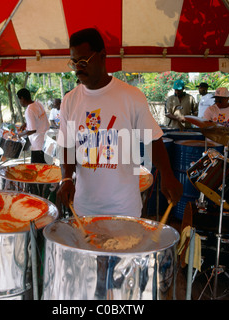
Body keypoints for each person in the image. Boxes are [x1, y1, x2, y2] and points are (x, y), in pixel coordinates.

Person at [56, 28, 183, 217]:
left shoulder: (131, 96)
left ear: (102, 56)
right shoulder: (69, 100)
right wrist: (66, 178)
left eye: (83, 61)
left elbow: (152, 139)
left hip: (124, 210)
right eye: (74, 62)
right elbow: (67, 146)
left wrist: (167, 174)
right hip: (84, 210)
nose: (78, 68)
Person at [17, 88, 50, 163]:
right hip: (45, 143)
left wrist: (19, 135)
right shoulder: (38, 104)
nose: (20, 102)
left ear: (22, 98)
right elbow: (38, 119)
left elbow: (32, 130)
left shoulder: (29, 110)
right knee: (45, 169)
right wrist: (26, 123)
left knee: (37, 170)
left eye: (19, 100)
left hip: (38, 145)